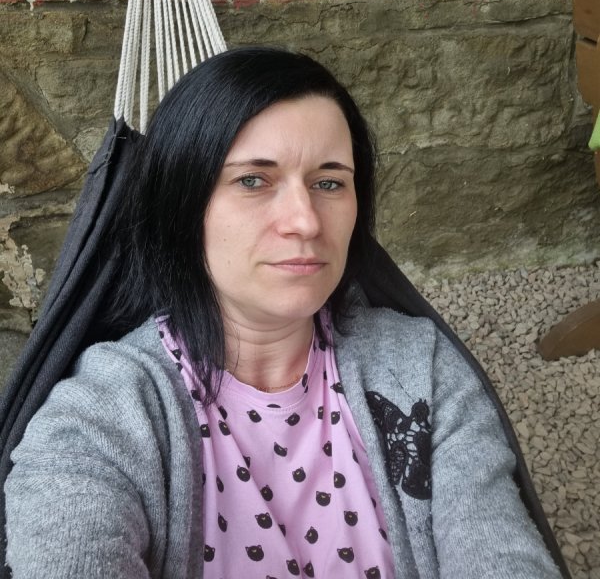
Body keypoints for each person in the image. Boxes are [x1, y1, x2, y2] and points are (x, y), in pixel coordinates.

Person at [4, 47, 566, 578]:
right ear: (182, 204)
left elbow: (500, 550)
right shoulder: (105, 413)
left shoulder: (421, 367)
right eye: (253, 180)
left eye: (329, 182)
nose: (306, 221)